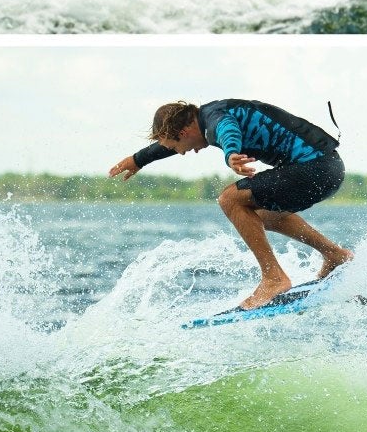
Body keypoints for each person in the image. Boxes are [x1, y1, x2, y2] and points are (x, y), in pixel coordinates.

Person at [109, 99, 350, 310]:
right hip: (326, 168)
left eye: (174, 147)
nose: (180, 153)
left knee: (230, 199)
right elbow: (193, 135)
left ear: (183, 131)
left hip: (315, 168)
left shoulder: (215, 120)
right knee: (263, 214)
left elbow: (227, 128)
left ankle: (273, 277)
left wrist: (231, 153)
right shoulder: (209, 115)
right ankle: (334, 254)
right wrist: (138, 159)